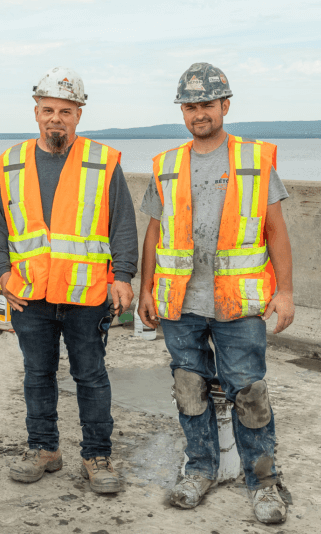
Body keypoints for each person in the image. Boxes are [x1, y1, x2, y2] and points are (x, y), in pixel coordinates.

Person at [137, 62, 293, 525]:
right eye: (190, 106)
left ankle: (264, 482)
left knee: (248, 392)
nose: (198, 113)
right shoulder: (166, 165)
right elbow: (154, 232)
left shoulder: (254, 159)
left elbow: (276, 230)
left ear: (225, 105)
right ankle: (200, 470)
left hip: (239, 303)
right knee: (190, 389)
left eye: (206, 104)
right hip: (181, 303)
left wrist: (285, 292)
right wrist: (145, 289)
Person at [0, 67, 138, 493]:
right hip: (29, 294)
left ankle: (96, 456)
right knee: (37, 374)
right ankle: (44, 448)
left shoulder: (103, 162)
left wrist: (123, 277)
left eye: (66, 111)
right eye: (49, 109)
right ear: (36, 112)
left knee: (90, 375)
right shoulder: (11, 163)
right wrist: (3, 274)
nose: (57, 118)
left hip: (86, 294)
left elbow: (122, 224)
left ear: (78, 115)